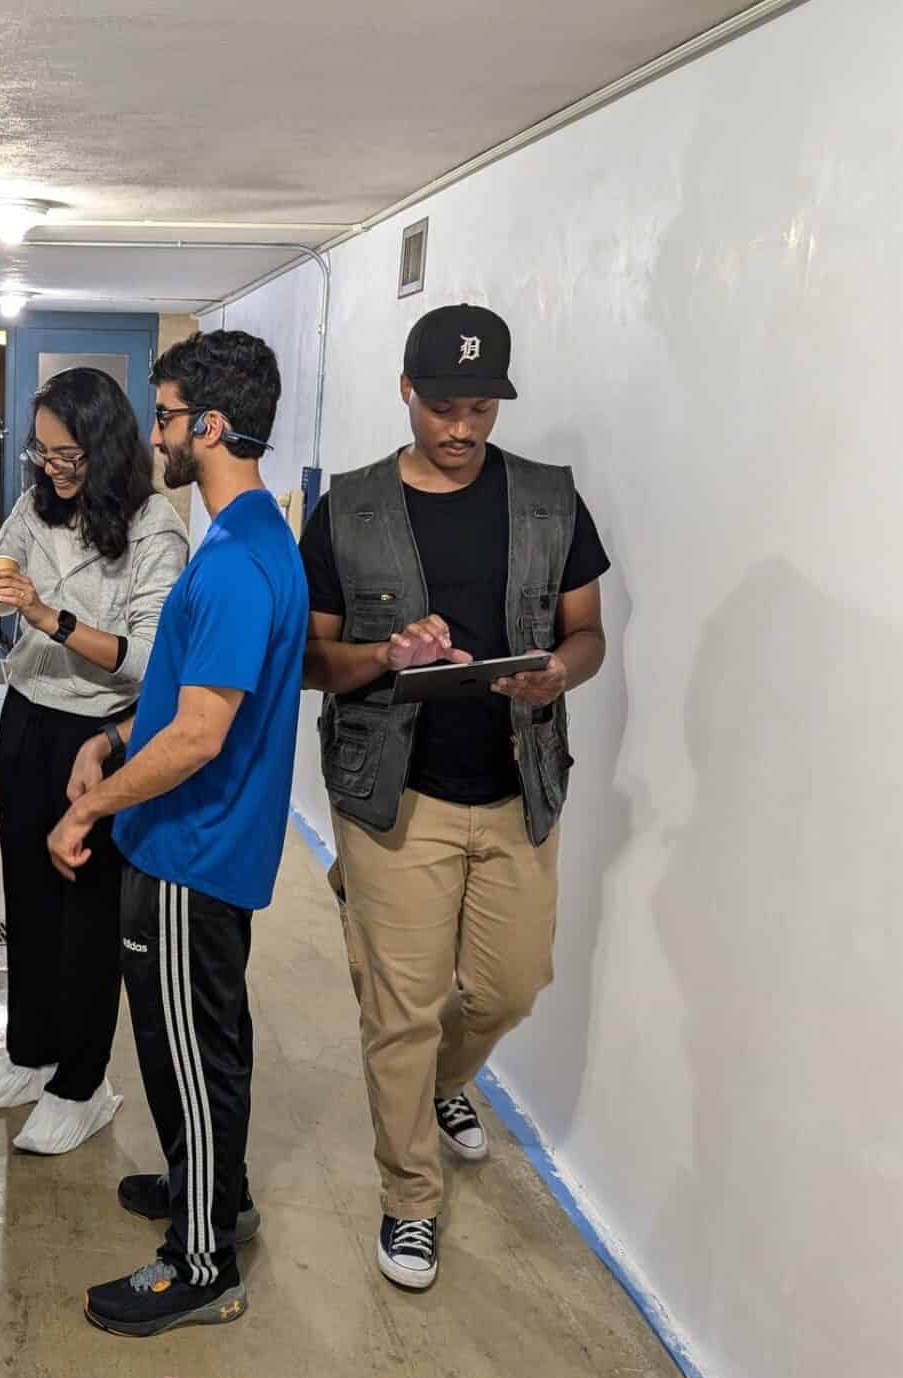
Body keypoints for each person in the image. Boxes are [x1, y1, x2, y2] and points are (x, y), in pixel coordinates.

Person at [299, 303, 609, 1292]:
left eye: (480, 408)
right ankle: (409, 1203)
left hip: (519, 786)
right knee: (403, 1006)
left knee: (512, 986)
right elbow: (311, 659)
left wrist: (557, 674)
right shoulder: (348, 508)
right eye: (444, 407)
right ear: (407, 393)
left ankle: (441, 1086)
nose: (463, 429)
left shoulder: (551, 501)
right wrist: (388, 655)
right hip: (395, 795)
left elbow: (588, 633)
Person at [47, 331, 307, 1336]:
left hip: (188, 856)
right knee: (206, 1044)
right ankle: (219, 1194)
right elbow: (186, 696)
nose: (152, 435)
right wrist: (116, 738)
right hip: (190, 847)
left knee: (187, 1056)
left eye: (162, 417)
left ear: (206, 427)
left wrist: (87, 807)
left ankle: (202, 1262)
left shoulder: (239, 560)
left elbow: (202, 735)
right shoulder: (245, 542)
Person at [0, 366, 188, 1155]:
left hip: (100, 740)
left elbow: (149, 661)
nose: (50, 468)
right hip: (30, 721)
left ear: (105, 446)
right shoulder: (34, 503)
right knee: (32, 904)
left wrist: (48, 613)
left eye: (66, 454)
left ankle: (83, 1082)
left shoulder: (154, 527)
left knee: (87, 918)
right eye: (40, 453)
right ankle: (30, 1053)